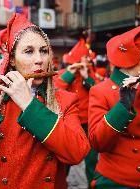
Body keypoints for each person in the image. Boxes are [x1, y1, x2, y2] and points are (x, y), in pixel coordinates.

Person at [0, 13, 90, 189]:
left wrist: (29, 103)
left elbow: (77, 153)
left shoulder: (65, 100)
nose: (39, 60)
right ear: (12, 59)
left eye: (43, 51)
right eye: (28, 51)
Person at [88, 21, 140, 189]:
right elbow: (98, 144)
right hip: (117, 183)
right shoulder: (102, 91)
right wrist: (122, 108)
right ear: (130, 57)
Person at [54, 38, 97, 186]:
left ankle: (92, 184)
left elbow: (97, 91)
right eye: (85, 57)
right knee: (64, 160)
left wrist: (87, 77)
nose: (88, 59)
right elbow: (56, 89)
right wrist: (70, 74)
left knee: (92, 160)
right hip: (69, 123)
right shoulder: (64, 72)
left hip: (88, 123)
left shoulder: (90, 72)